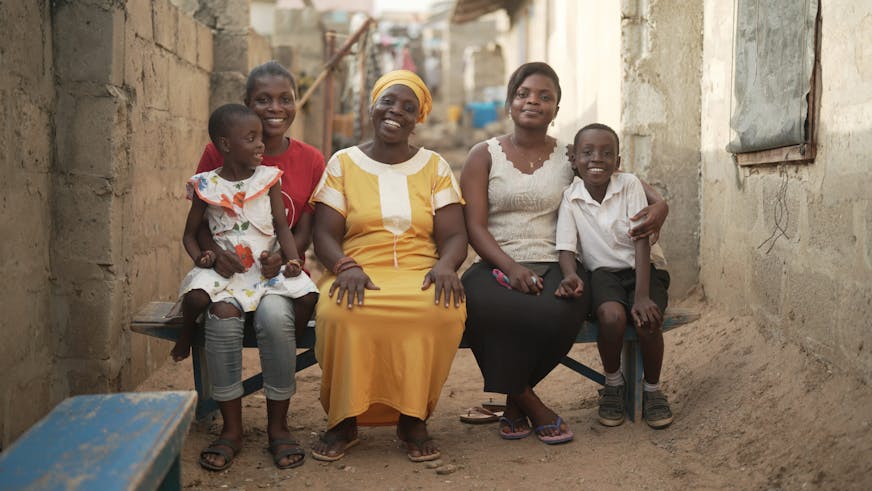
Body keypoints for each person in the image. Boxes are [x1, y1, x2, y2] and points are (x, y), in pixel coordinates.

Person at [460, 62, 669, 444]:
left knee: (563, 309)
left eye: (545, 96)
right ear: (509, 102)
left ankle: (512, 403)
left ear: (556, 109)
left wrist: (660, 206)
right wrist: (510, 267)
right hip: (494, 260)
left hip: (557, 259)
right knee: (482, 308)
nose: (533, 102)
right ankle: (526, 401)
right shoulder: (482, 154)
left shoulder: (570, 156)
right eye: (524, 94)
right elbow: (474, 225)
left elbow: (619, 177)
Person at [309, 70, 467, 463]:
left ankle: (412, 417)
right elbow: (324, 234)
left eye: (408, 108)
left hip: (420, 271)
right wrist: (345, 267)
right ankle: (344, 419)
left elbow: (454, 236)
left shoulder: (435, 166)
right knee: (341, 311)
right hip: (356, 268)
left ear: (418, 119)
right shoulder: (343, 162)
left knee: (439, 310)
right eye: (388, 102)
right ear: (373, 107)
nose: (396, 111)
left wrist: (447, 265)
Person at [191, 61, 325, 472]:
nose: (275, 107)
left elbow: (304, 226)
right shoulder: (218, 151)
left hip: (278, 274)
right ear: (247, 103)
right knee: (221, 316)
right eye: (263, 99)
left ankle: (278, 428)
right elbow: (205, 219)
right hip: (232, 273)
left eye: (285, 98)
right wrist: (219, 253)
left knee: (274, 316)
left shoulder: (310, 159)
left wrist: (286, 258)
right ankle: (231, 429)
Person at [555, 123, 672, 429]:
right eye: (588, 152)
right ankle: (613, 384)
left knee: (647, 320)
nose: (597, 159)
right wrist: (569, 275)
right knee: (610, 317)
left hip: (643, 270)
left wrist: (643, 295)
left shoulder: (630, 185)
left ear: (618, 162)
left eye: (607, 153)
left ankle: (652, 389)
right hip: (603, 274)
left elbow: (641, 240)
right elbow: (566, 247)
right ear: (576, 161)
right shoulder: (571, 197)